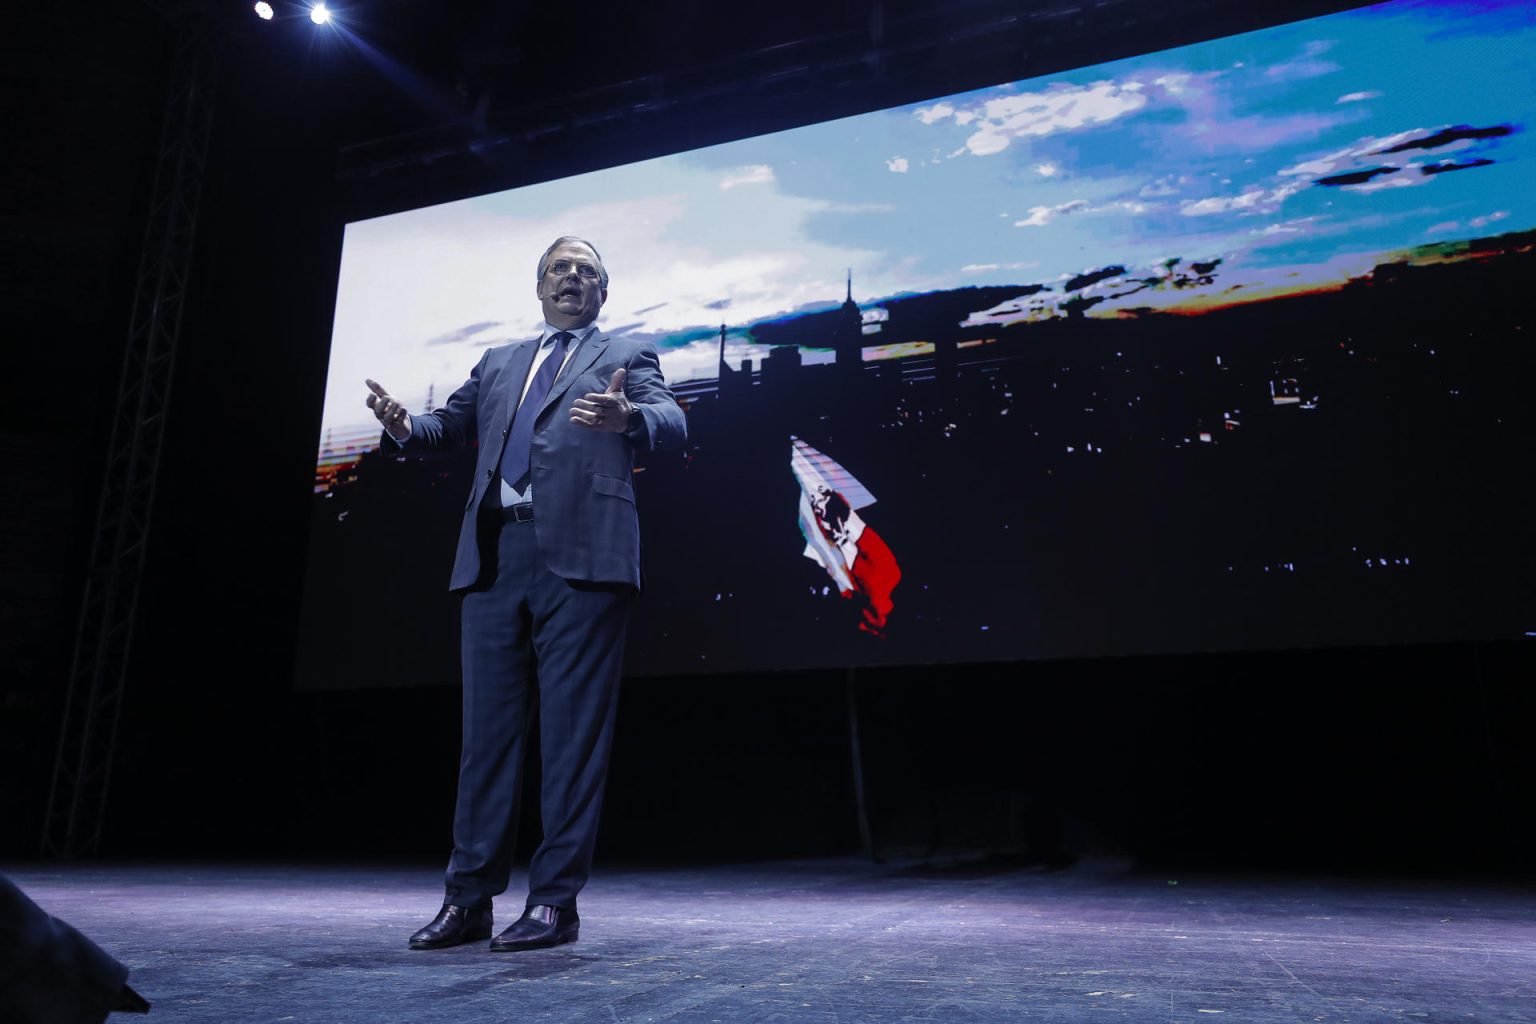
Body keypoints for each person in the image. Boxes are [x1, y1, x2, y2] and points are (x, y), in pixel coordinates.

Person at [365, 237, 686, 952]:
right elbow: (446, 428)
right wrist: (401, 427)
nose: (573, 279)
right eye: (560, 270)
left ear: (603, 292)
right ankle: (468, 899)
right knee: (486, 739)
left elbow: (672, 418)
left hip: (583, 558)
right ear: (539, 287)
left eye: (588, 272)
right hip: (494, 554)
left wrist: (627, 418)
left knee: (571, 739)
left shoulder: (628, 356)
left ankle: (553, 904)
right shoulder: (500, 361)